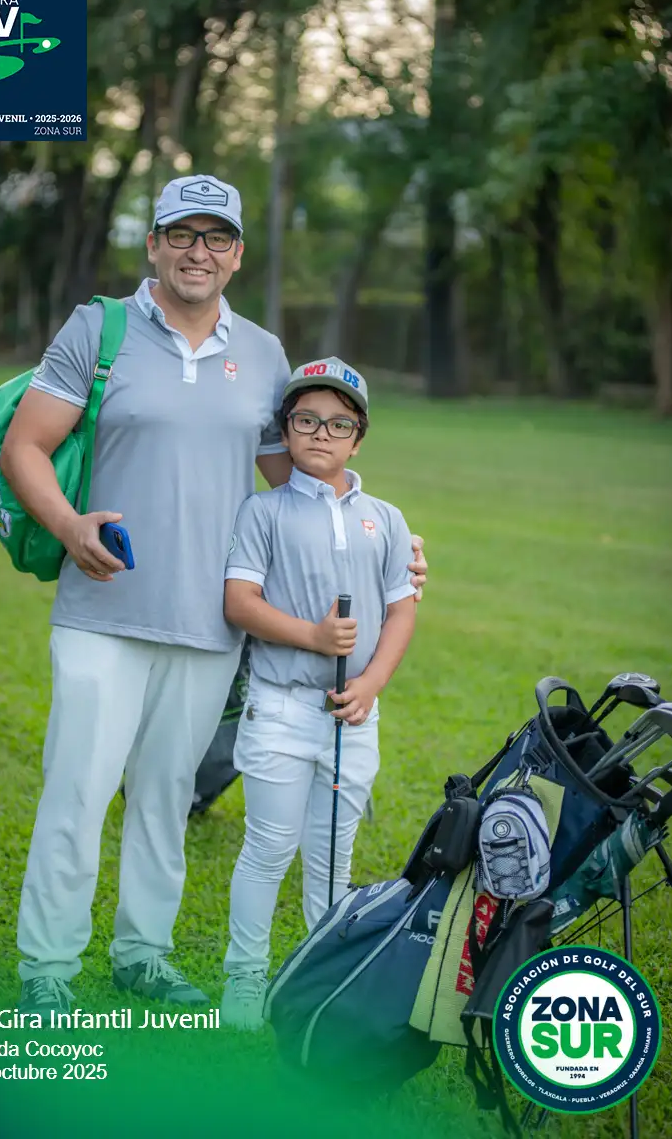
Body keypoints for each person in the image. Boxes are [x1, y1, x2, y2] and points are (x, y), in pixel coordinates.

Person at [0, 172, 428, 1022]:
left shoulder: (264, 354)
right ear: (154, 244)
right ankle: (47, 965)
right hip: (102, 612)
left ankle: (143, 954)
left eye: (217, 238)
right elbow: (26, 448)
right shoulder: (99, 329)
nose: (199, 252)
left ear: (236, 256)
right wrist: (71, 525)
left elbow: (298, 480)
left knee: (166, 795)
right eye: (182, 235)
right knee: (78, 788)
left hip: (208, 624)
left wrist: (383, 534)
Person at [219, 358, 417, 1030]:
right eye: (306, 420)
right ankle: (245, 976)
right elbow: (240, 602)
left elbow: (402, 611)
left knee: (333, 859)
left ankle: (317, 982)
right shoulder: (263, 511)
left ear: (358, 439)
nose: (321, 434)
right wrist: (313, 636)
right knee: (268, 847)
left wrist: (370, 683)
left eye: (338, 424)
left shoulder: (386, 519)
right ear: (286, 431)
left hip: (353, 715)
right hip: (280, 707)